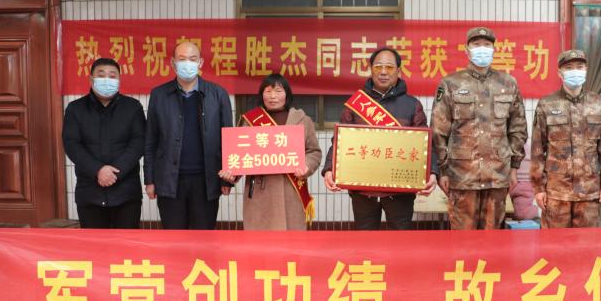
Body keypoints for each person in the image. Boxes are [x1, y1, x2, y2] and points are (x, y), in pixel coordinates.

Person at [323, 47, 438, 230]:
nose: (383, 72)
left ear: (399, 71)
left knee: (400, 238)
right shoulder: (356, 103)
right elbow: (339, 140)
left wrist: (432, 171)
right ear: (371, 69)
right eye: (378, 67)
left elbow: (425, 143)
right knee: (365, 239)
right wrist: (329, 169)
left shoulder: (412, 105)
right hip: (363, 190)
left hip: (400, 191)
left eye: (389, 67)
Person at [431, 26, 528, 230]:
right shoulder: (450, 84)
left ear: (494, 49)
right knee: (463, 238)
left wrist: (514, 168)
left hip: (498, 175)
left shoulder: (508, 83)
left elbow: (518, 128)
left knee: (493, 239)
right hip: (462, 176)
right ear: (467, 50)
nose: (482, 49)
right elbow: (439, 131)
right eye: (476, 44)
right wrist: (443, 170)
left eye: (486, 45)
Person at [144, 41, 233, 230]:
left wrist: (227, 179)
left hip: (206, 181)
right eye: (182, 59)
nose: (187, 63)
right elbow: (151, 140)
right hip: (170, 181)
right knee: (174, 239)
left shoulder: (218, 94)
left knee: (203, 238)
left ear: (201, 62)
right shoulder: (159, 95)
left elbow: (228, 140)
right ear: (173, 63)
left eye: (192, 59)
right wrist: (150, 180)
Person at [218, 74, 322, 230]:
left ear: (287, 95)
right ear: (262, 95)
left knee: (291, 241)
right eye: (268, 91)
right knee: (261, 242)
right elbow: (240, 154)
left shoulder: (302, 120)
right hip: (260, 193)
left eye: (278, 91)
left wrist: (306, 166)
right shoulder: (250, 120)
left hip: (291, 191)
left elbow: (313, 151)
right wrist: (231, 173)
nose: (273, 96)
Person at [530, 49, 601, 228]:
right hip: (556, 193)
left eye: (579, 67)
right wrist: (538, 188)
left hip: (589, 191)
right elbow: (537, 149)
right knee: (554, 243)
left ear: (586, 70)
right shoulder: (547, 104)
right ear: (559, 73)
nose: (574, 71)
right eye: (569, 68)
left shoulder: (598, 103)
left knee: (586, 242)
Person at [62, 57, 145, 228]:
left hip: (126, 193)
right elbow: (71, 144)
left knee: (126, 243)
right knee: (94, 244)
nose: (107, 79)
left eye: (112, 76)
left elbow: (139, 142)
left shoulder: (133, 107)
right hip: (89, 193)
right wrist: (98, 170)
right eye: (101, 75)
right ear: (91, 79)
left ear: (119, 80)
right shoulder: (75, 109)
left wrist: (114, 172)